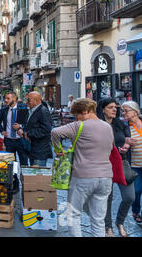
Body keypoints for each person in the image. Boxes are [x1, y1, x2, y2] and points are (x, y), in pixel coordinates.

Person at [51, 98, 113, 237]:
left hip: (83, 176)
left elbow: (55, 132)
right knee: (98, 219)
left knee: (73, 214)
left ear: (84, 111)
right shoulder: (107, 127)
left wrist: (58, 149)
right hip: (106, 177)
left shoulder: (78, 126)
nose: (76, 118)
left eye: (77, 115)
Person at [97, 98, 134, 237]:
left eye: (115, 107)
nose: (114, 109)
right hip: (104, 164)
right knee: (107, 198)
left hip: (121, 163)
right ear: (102, 109)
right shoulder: (97, 125)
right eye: (110, 107)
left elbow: (127, 139)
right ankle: (108, 226)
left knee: (129, 197)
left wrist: (126, 146)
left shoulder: (121, 124)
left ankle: (120, 221)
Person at [15, 92, 53, 167]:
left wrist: (27, 133)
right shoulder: (32, 110)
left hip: (40, 150)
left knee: (37, 174)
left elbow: (46, 130)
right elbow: (30, 125)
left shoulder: (43, 111)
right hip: (33, 149)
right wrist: (21, 129)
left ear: (36, 101)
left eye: (28, 100)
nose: (26, 102)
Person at [121, 101, 142, 226]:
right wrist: (125, 142)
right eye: (122, 110)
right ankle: (135, 211)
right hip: (135, 164)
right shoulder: (125, 126)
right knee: (137, 190)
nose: (123, 113)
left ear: (134, 112)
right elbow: (118, 138)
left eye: (125, 110)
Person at [0, 91, 29, 166]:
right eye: (5, 98)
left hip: (21, 140)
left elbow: (27, 123)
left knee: (24, 163)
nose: (5, 100)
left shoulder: (23, 108)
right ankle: (14, 177)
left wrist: (21, 127)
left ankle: (23, 177)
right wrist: (2, 131)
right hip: (9, 141)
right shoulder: (3, 110)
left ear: (14, 98)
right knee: (11, 164)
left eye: (8, 98)